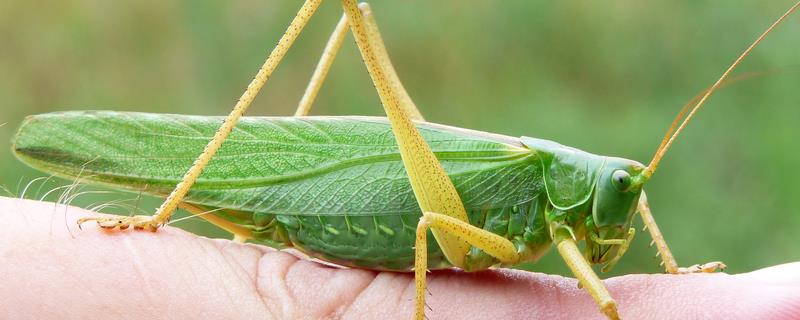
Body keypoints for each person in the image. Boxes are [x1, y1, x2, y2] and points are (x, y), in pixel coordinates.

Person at [1, 196, 798, 319]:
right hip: (397, 217)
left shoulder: (584, 207)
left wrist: (676, 269)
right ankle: (165, 209)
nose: (628, 204)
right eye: (619, 191)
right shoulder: (552, 209)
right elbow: (431, 226)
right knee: (429, 219)